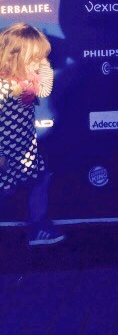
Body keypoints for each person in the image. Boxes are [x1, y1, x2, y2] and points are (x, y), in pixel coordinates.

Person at [0, 23, 64, 246]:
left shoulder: (27, 81)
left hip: (24, 149)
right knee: (6, 190)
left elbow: (44, 89)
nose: (39, 62)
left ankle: (38, 227)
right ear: (15, 57)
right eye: (35, 58)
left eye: (42, 57)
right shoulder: (2, 87)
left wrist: (43, 64)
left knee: (40, 178)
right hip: (5, 154)